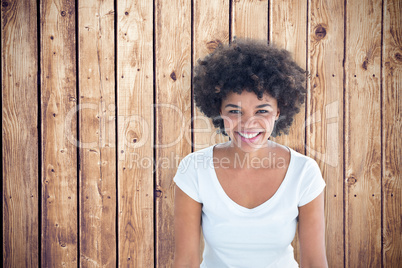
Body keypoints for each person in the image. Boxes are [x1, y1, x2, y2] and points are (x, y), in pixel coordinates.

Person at [173, 39, 328, 268]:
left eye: (262, 110)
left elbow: (315, 263)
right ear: (218, 110)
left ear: (278, 111)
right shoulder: (194, 170)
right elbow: (185, 262)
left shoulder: (304, 173)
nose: (247, 124)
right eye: (234, 111)